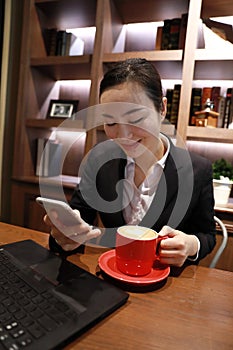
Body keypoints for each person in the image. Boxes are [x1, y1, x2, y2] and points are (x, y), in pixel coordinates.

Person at [44, 58, 216, 267]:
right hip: (113, 276)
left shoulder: (198, 170)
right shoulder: (98, 162)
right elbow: (78, 220)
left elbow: (207, 234)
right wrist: (64, 235)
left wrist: (191, 244)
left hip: (167, 284)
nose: (122, 135)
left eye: (135, 119)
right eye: (110, 122)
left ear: (162, 108)